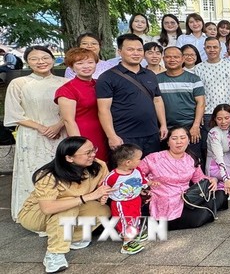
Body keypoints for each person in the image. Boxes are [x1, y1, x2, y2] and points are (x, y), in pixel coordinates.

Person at [17, 137, 111, 273]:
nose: (93, 154)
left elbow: (106, 186)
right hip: (35, 213)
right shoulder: (48, 175)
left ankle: (71, 238)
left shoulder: (99, 166)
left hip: (74, 207)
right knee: (67, 209)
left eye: (93, 149)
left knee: (102, 210)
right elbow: (48, 208)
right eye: (87, 153)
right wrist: (88, 197)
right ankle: (54, 254)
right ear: (69, 158)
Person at [5, 46, 66, 221]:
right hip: (32, 135)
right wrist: (40, 127)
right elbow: (14, 114)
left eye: (45, 57)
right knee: (34, 172)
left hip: (59, 132)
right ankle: (34, 216)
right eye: (34, 58)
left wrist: (58, 125)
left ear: (53, 60)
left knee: (59, 171)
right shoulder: (19, 83)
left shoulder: (63, 83)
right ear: (27, 62)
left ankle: (60, 212)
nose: (41, 62)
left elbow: (70, 110)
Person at [97, 34, 168, 155]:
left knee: (151, 171)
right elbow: (104, 109)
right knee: (127, 172)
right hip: (124, 136)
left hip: (152, 134)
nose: (136, 53)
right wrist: (112, 136)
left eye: (139, 50)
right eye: (130, 49)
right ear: (120, 51)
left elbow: (157, 100)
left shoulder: (150, 74)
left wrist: (163, 125)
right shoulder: (107, 77)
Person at [139, 127, 219, 230]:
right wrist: (146, 187)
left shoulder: (191, 159)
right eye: (174, 138)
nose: (179, 142)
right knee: (201, 216)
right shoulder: (154, 158)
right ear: (168, 142)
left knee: (220, 194)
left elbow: (199, 179)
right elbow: (136, 174)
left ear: (188, 140)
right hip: (161, 201)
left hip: (185, 200)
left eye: (182, 138)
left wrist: (213, 180)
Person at [55, 48, 109, 163]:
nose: (86, 66)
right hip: (84, 132)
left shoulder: (100, 83)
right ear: (72, 67)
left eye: (90, 62)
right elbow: (68, 120)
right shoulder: (67, 90)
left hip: (105, 130)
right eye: (79, 63)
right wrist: (80, 145)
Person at [157, 45, 205, 158]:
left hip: (189, 127)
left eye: (176, 57)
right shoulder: (156, 79)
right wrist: (162, 125)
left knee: (193, 160)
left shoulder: (193, 79)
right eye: (168, 57)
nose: (172, 60)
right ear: (163, 59)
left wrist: (196, 125)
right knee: (167, 161)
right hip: (166, 128)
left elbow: (201, 103)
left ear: (182, 59)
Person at [104, 144, 150, 254]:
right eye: (139, 159)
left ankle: (135, 232)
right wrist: (103, 197)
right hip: (121, 203)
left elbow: (142, 180)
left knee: (135, 217)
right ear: (128, 162)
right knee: (124, 221)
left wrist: (144, 188)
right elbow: (105, 187)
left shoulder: (136, 170)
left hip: (135, 199)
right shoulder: (113, 176)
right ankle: (127, 243)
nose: (141, 161)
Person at [195, 37, 230, 128]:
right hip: (208, 113)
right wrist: (199, 114)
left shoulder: (229, 65)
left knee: (229, 141)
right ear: (204, 49)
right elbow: (197, 93)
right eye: (209, 47)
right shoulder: (198, 68)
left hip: (228, 111)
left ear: (220, 48)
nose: (212, 50)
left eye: (215, 47)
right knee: (209, 141)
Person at [206, 104, 230, 201]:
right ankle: (219, 182)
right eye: (219, 119)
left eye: (227, 118)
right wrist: (226, 179)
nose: (224, 122)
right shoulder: (214, 133)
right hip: (215, 162)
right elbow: (218, 158)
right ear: (215, 119)